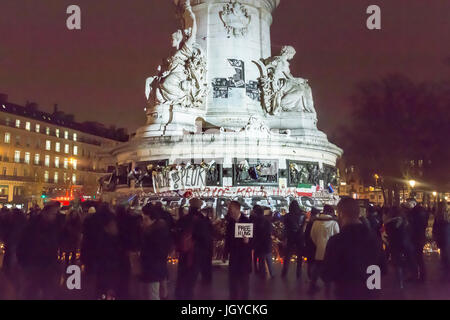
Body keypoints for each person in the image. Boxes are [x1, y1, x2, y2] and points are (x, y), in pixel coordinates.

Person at [322, 198, 386, 299]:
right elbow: (383, 268)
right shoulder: (374, 239)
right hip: (371, 292)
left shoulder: (336, 241)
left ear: (341, 214)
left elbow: (327, 274)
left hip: (346, 293)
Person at [17, 205, 62, 299]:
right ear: (45, 213)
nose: (55, 216)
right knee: (31, 291)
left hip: (47, 265)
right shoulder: (32, 226)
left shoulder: (52, 226)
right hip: (33, 265)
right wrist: (23, 262)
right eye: (53, 213)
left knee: (46, 291)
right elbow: (23, 244)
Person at [139, 204, 172, 300]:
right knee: (153, 291)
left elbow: (157, 251)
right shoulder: (157, 229)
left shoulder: (155, 233)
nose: (143, 222)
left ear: (153, 219)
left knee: (153, 292)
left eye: (146, 219)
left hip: (153, 266)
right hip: (155, 266)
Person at [174, 198, 203, 300]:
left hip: (184, 251)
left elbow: (176, 233)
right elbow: (204, 238)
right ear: (199, 207)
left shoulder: (183, 219)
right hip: (196, 252)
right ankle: (188, 296)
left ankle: (179, 294)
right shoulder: (201, 220)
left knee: (181, 274)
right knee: (191, 277)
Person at [224, 200, 253, 300]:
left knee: (244, 282)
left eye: (231, 208)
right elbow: (227, 240)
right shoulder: (230, 223)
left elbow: (254, 241)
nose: (229, 211)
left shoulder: (247, 222)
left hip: (244, 257)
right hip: (234, 257)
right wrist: (225, 253)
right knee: (232, 282)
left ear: (237, 209)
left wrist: (247, 241)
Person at [309, 205, 339, 293]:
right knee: (329, 268)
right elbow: (338, 236)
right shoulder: (334, 223)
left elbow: (312, 235)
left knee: (317, 267)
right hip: (331, 251)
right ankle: (328, 287)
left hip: (319, 250)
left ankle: (312, 285)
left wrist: (318, 243)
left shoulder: (316, 222)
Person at [384, 207, 415, 288]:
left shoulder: (388, 223)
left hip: (395, 244)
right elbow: (410, 231)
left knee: (397, 263)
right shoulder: (405, 221)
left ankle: (400, 282)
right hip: (406, 243)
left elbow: (388, 234)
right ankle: (410, 275)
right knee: (408, 260)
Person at [281, 200, 306, 279]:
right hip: (300, 237)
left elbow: (285, 228)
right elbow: (303, 227)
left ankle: (284, 273)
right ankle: (298, 273)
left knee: (288, 255)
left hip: (290, 237)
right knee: (299, 256)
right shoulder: (303, 215)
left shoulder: (287, 216)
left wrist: (284, 238)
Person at [406, 199, 429, 281]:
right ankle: (420, 276)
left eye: (408, 203)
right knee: (418, 257)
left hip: (416, 238)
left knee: (417, 257)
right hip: (418, 237)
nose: (407, 205)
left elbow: (416, 226)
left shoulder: (416, 213)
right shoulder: (419, 211)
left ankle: (419, 276)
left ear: (413, 203)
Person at [253, 205, 274, 279]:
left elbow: (255, 232)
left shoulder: (256, 221)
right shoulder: (267, 220)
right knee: (269, 258)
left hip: (260, 243)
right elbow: (270, 231)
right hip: (267, 242)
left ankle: (263, 274)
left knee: (262, 260)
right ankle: (271, 273)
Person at [433, 201, 450, 279]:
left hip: (442, 237)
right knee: (446, 254)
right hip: (445, 236)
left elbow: (435, 228)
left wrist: (435, 237)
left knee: (444, 254)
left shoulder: (438, 216)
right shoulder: (446, 215)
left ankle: (445, 272)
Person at [304, 207, 320, 280]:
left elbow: (305, 235)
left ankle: (311, 279)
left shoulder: (309, 223)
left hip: (309, 245)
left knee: (311, 262)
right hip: (313, 245)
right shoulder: (313, 223)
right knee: (312, 263)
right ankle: (312, 280)